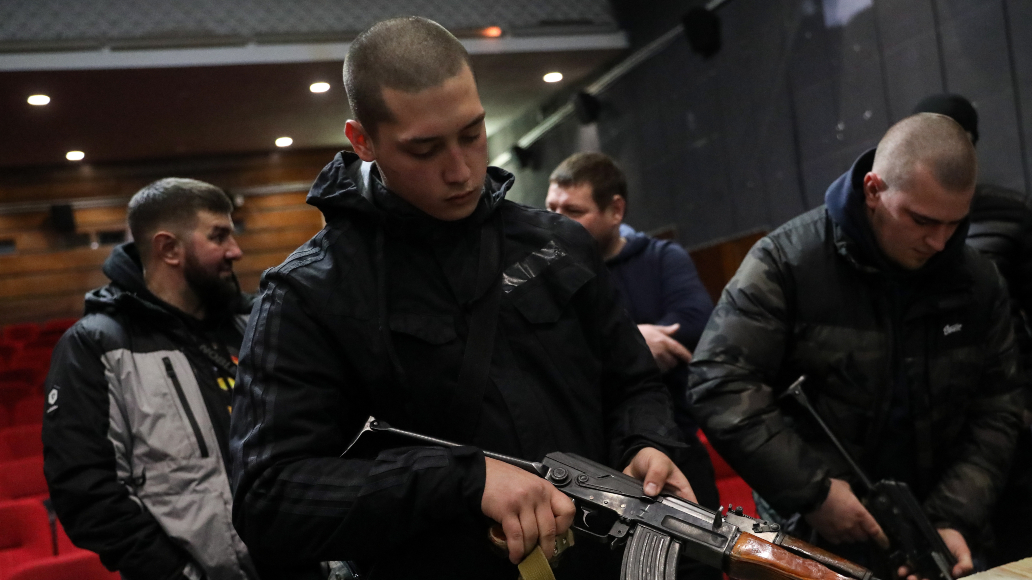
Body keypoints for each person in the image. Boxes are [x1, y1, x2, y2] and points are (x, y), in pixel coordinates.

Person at [228, 17, 691, 580]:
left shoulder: (558, 242)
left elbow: (633, 383)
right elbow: (269, 498)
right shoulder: (306, 293)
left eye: (472, 134)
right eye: (424, 150)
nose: (461, 171)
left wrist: (646, 442)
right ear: (362, 141)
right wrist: (462, 479)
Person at [688, 114, 1022, 579]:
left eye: (955, 224)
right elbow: (718, 382)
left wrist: (952, 519)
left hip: (937, 534)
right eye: (921, 220)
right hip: (812, 537)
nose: (938, 241)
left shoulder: (978, 281)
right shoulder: (787, 262)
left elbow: (998, 409)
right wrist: (814, 493)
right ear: (873, 190)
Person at [41, 178, 257, 580]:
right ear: (169, 249)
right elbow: (86, 492)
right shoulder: (96, 345)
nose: (235, 250)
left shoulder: (252, 325)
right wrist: (177, 575)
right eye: (219, 236)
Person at [911, 93, 1032, 564]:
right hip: (922, 436)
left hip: (999, 425)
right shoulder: (898, 219)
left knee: (1015, 556)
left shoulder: (1012, 215)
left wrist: (1028, 402)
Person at [545, 152, 719, 580]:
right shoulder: (547, 269)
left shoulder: (661, 258)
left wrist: (613, 346)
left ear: (616, 210)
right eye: (551, 208)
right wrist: (639, 338)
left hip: (671, 446)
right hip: (586, 466)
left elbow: (694, 323)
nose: (556, 221)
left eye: (573, 211)